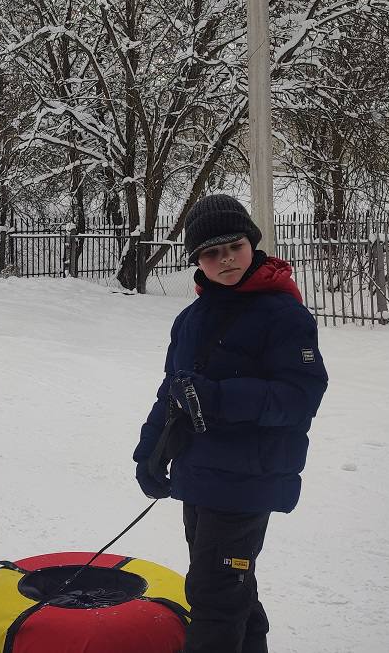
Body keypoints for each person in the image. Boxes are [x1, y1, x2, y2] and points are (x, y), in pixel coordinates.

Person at [132, 194, 329, 653]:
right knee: (230, 585)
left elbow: (301, 396)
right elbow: (172, 392)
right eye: (211, 252)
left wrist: (219, 397)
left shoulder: (283, 315)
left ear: (251, 243)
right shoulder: (191, 319)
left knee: (214, 594)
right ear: (197, 260)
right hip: (200, 474)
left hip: (248, 476)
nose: (225, 259)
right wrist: (148, 456)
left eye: (234, 246)